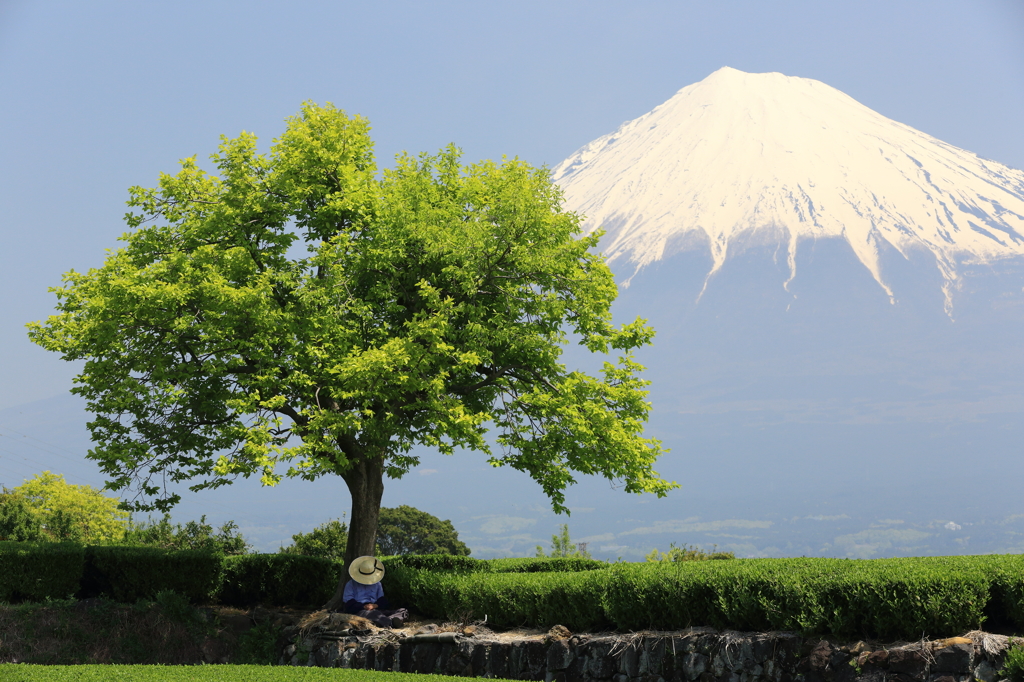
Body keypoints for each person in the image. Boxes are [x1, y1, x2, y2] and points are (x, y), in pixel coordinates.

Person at [341, 555, 408, 628]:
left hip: (376, 608)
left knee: (403, 611)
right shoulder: (351, 584)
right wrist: (363, 606)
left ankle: (388, 621)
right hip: (361, 610)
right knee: (373, 613)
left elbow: (382, 600)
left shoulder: (377, 584)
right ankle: (390, 623)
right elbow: (349, 604)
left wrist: (375, 605)